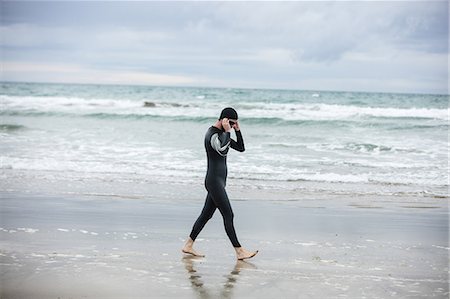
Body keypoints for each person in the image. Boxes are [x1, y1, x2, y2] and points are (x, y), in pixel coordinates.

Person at [182, 107, 258, 260]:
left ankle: (188, 245)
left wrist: (237, 130)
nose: (232, 125)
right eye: (231, 122)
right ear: (224, 120)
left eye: (234, 123)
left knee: (205, 215)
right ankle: (239, 251)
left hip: (219, 182)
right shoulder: (212, 135)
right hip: (213, 182)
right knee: (228, 214)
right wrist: (228, 132)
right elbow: (222, 150)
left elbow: (241, 148)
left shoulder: (223, 134)